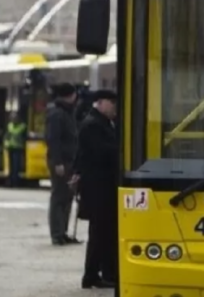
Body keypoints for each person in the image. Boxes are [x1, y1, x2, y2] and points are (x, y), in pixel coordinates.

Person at [71, 89, 119, 289]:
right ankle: (93, 275)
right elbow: (99, 153)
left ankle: (101, 274)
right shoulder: (92, 125)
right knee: (100, 233)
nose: (115, 108)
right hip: (98, 189)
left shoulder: (103, 123)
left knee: (104, 233)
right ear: (101, 103)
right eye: (112, 104)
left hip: (102, 188)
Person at [45, 82, 82, 245]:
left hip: (70, 161)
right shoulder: (57, 114)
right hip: (61, 162)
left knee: (68, 197)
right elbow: (54, 140)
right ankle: (57, 233)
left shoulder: (68, 112)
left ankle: (63, 232)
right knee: (59, 196)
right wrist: (57, 162)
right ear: (71, 95)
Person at [4, 111, 26, 187]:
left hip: (18, 148)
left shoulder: (22, 126)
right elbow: (6, 136)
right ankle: (10, 181)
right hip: (10, 148)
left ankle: (15, 182)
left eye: (15, 118)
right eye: (12, 118)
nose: (13, 120)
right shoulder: (9, 126)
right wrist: (6, 143)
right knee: (11, 167)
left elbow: (24, 137)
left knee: (16, 166)